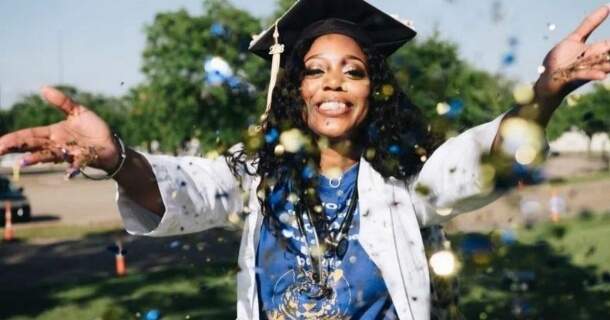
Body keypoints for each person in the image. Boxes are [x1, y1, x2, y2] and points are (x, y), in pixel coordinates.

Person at [1, 1, 610, 319]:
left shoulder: (408, 179)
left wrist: (548, 89)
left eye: (354, 71)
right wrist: (116, 159)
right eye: (315, 70)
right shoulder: (257, 175)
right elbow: (185, 189)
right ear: (295, 87)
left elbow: (484, 160)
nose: (333, 84)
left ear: (376, 89)